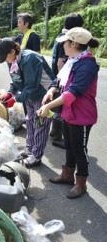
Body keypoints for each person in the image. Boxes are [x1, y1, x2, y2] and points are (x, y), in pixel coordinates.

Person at [37, 27, 99, 199]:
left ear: (73, 43)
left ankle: (81, 183)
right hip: (69, 112)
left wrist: (48, 107)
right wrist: (51, 90)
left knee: (80, 149)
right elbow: (59, 79)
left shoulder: (87, 64)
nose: (63, 45)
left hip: (82, 115)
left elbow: (73, 92)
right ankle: (67, 175)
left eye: (65, 42)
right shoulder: (73, 60)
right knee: (70, 145)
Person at [0, 38, 55, 168]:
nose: (5, 61)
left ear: (12, 51)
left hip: (42, 95)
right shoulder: (12, 60)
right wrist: (10, 93)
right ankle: (29, 148)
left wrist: (15, 99)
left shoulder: (30, 58)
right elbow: (15, 79)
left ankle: (36, 156)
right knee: (30, 121)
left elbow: (32, 86)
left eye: (5, 57)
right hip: (29, 95)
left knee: (40, 125)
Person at [50, 13, 84, 149]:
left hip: (57, 76)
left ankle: (54, 132)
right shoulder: (69, 39)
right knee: (62, 108)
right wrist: (63, 80)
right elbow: (60, 62)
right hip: (62, 78)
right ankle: (59, 137)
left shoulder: (60, 35)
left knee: (57, 106)